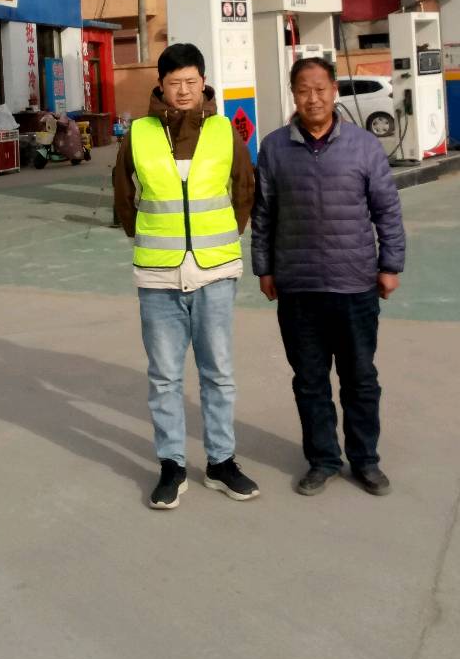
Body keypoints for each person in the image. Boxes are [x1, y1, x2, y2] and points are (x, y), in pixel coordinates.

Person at [113, 43, 260, 510]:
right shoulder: (137, 134)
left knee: (218, 373)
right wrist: (145, 235)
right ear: (160, 85)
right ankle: (172, 466)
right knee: (164, 376)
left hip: (215, 271)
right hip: (158, 274)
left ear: (203, 83)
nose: (183, 91)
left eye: (191, 82)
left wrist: (223, 237)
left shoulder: (223, 131)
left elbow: (244, 188)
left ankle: (221, 462)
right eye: (174, 83)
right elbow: (123, 192)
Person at [252, 55, 406, 497]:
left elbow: (387, 211)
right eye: (304, 90)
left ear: (334, 91)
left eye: (320, 89)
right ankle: (322, 459)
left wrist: (390, 265)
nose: (313, 98)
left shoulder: (363, 146)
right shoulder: (274, 148)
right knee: (309, 380)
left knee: (360, 379)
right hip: (298, 287)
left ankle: (365, 460)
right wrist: (264, 268)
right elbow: (263, 215)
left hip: (354, 284)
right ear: (293, 94)